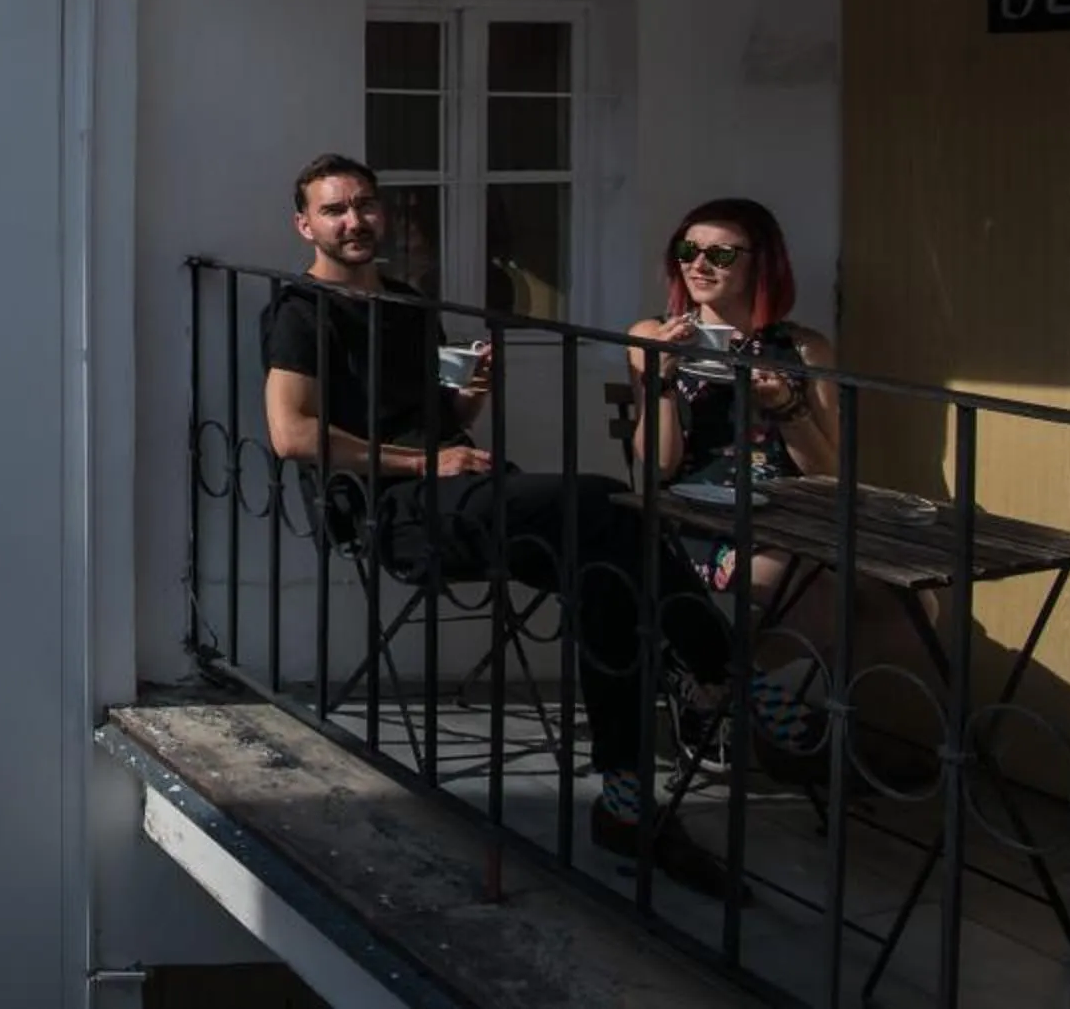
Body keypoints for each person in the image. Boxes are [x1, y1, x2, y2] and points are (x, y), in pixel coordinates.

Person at [264, 154, 806, 897]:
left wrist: (467, 402)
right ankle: (728, 676)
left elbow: (435, 416)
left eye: (364, 204)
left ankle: (626, 801)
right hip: (395, 511)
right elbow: (291, 435)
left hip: (463, 489)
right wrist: (425, 464)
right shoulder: (302, 310)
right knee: (604, 499)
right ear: (306, 225)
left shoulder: (404, 298)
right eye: (334, 210)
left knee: (610, 573)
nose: (353, 221)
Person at [626, 198, 840, 599]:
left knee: (910, 604)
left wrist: (786, 406)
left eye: (720, 254)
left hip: (792, 517)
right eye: (688, 250)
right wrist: (662, 380)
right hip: (696, 519)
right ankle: (721, 663)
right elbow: (658, 463)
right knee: (810, 586)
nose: (698, 266)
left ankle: (715, 664)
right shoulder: (652, 336)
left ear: (761, 265)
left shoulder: (803, 349)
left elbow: (828, 473)